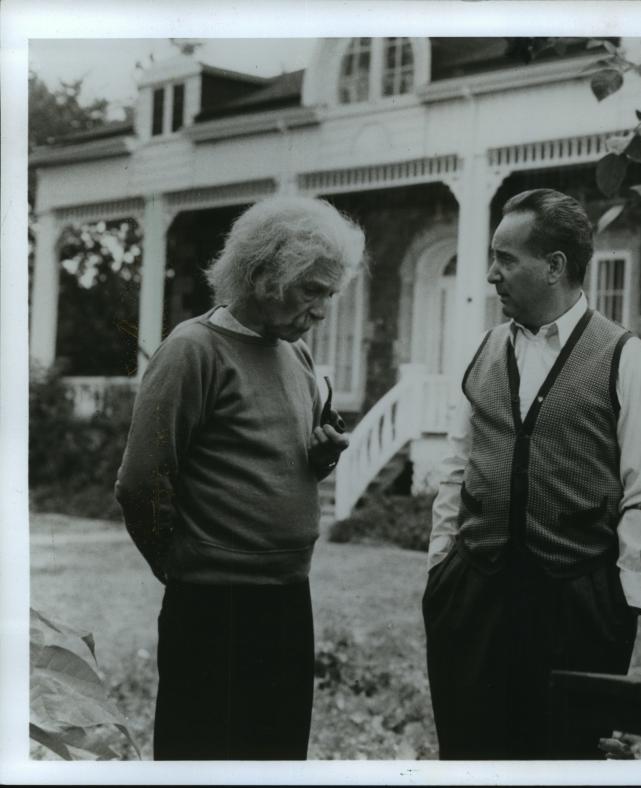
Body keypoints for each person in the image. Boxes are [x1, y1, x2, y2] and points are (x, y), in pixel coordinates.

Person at [422, 188, 641, 760]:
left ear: (555, 266)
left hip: (574, 604)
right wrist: (441, 570)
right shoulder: (486, 348)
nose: (490, 275)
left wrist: (621, 604)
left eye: (505, 259)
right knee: (470, 758)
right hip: (474, 596)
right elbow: (456, 467)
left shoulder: (625, 357)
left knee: (559, 759)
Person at [115, 195, 364, 760]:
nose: (323, 310)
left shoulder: (295, 355)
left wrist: (319, 459)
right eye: (312, 291)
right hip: (213, 605)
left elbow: (273, 459)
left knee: (276, 760)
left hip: (287, 596)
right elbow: (139, 481)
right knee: (204, 761)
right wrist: (184, 565)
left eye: (330, 293)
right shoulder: (192, 350)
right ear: (262, 276)